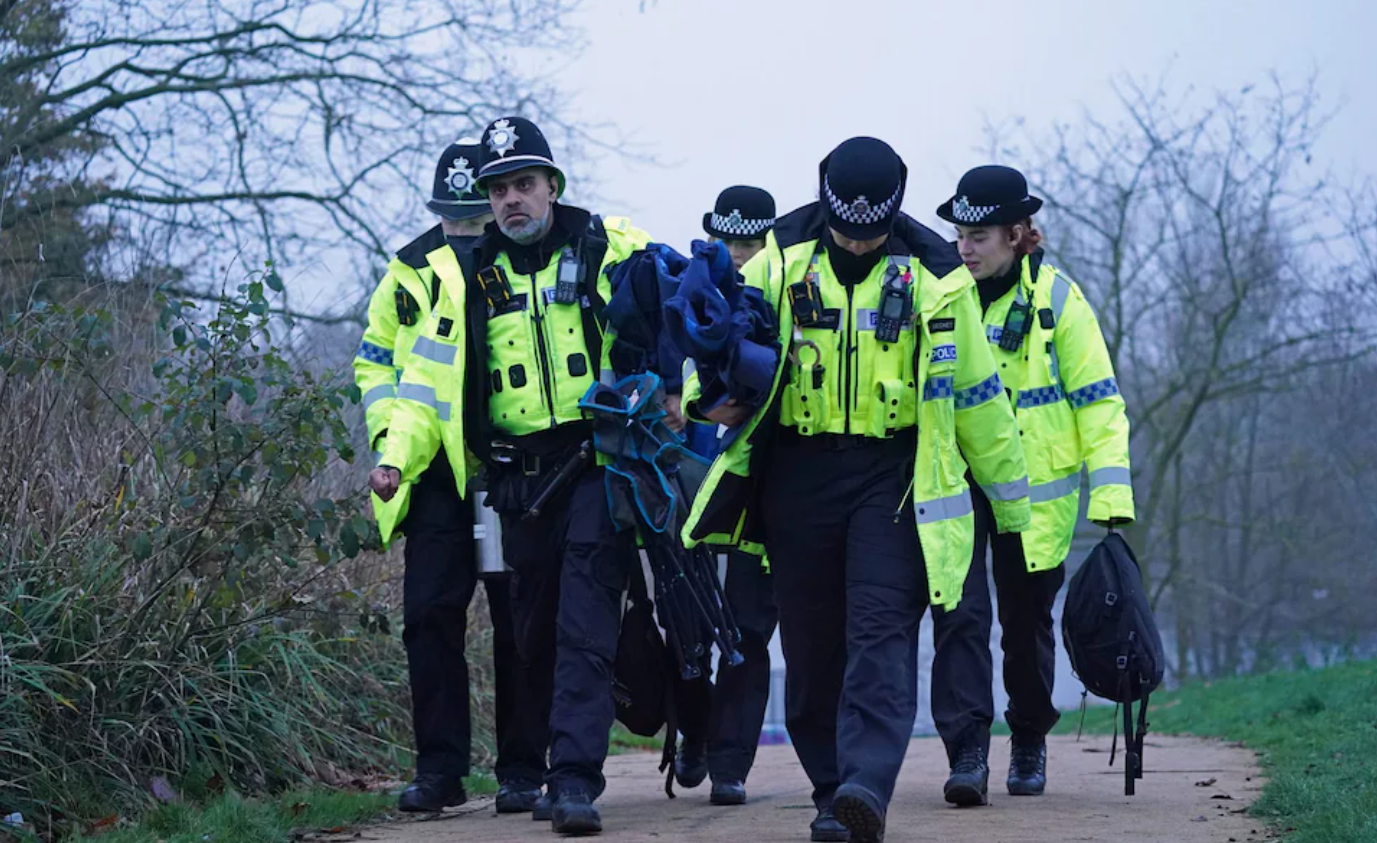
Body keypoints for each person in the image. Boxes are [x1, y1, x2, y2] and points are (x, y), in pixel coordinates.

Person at [676, 138, 1031, 843]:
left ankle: (866, 784)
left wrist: (1012, 507)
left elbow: (979, 398)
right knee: (811, 645)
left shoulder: (935, 273)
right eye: (844, 231)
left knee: (879, 631)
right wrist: (700, 398)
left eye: (870, 233)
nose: (856, 244)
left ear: (893, 210)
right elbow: (723, 342)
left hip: (891, 476)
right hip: (795, 473)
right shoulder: (780, 256)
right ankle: (831, 787)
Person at [374, 116, 658, 836]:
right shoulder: (463, 280)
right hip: (509, 480)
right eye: (497, 189)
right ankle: (472, 766)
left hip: (592, 462)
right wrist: (394, 455)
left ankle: (567, 779)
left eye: (522, 184)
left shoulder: (602, 245)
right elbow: (417, 385)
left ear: (552, 186)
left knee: (580, 625)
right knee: (523, 630)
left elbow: (665, 312)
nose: (509, 201)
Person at [928, 165, 1135, 805]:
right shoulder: (941, 299)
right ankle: (967, 751)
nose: (965, 246)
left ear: (1018, 234)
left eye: (981, 234)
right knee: (958, 619)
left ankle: (1027, 741)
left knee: (1024, 626)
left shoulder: (1059, 303)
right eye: (960, 233)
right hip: (959, 487)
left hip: (1034, 498)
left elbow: (1100, 403)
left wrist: (1110, 499)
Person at [355, 139, 546, 814]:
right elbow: (375, 362)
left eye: (475, 215)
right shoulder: (406, 269)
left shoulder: (523, 265)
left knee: (519, 621)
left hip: (511, 472)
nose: (465, 228)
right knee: (428, 619)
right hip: (434, 474)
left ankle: (524, 768)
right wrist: (389, 443)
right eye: (453, 215)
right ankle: (439, 770)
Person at [671, 187, 780, 807]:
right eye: (732, 242)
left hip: (753, 494)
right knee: (683, 627)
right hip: (690, 488)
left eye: (753, 243)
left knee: (746, 628)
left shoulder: (782, 299)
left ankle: (731, 763)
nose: (741, 256)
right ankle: (693, 730)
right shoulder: (686, 292)